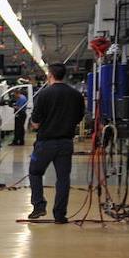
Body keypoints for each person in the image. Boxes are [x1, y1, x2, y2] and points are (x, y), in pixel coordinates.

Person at [28, 63, 86, 223]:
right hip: (66, 143)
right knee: (63, 179)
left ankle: (39, 206)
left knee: (35, 172)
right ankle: (60, 215)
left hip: (45, 143)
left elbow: (36, 122)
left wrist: (37, 123)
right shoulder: (76, 95)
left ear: (50, 75)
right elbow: (80, 117)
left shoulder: (44, 94)